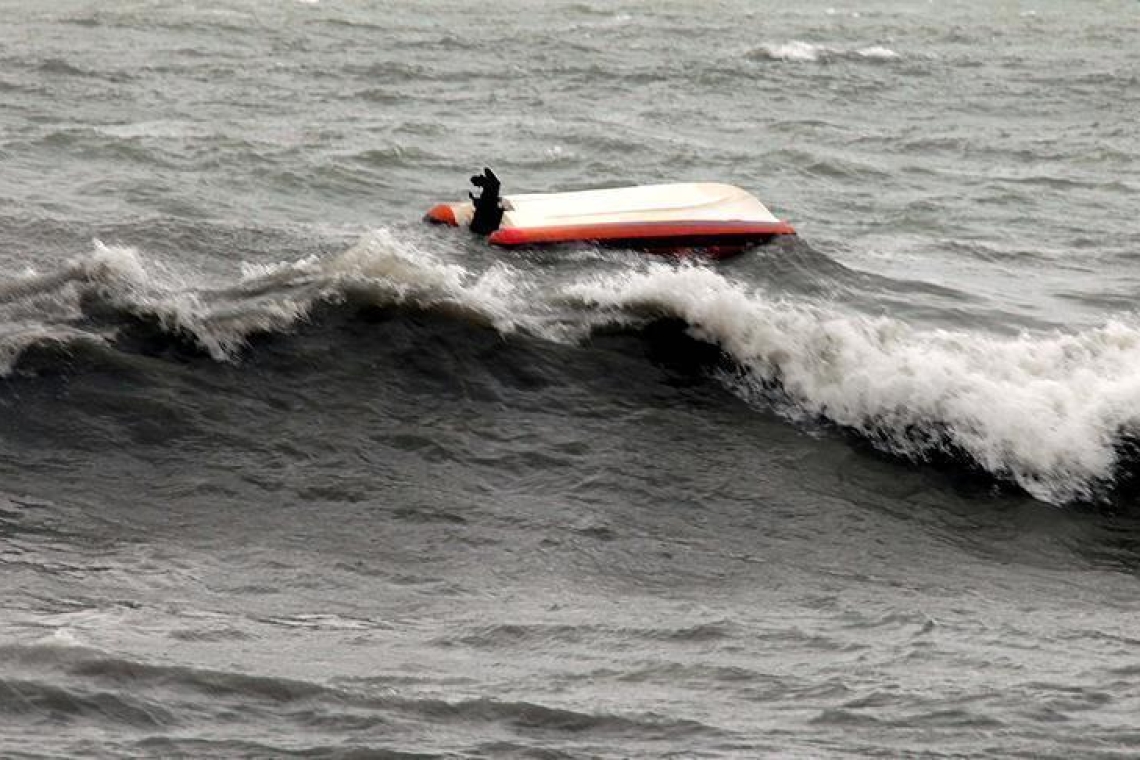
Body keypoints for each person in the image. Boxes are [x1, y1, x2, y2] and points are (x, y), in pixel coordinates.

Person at [468, 167, 503, 234]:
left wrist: (473, 199)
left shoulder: (491, 186)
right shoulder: (493, 185)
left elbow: (482, 203)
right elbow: (484, 201)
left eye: (476, 184)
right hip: (490, 219)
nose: (477, 186)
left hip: (484, 224)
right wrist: (473, 198)